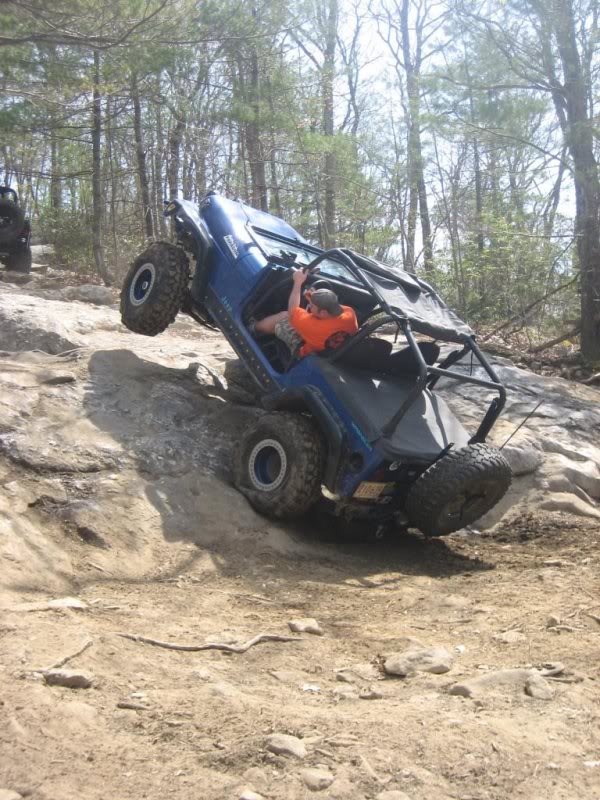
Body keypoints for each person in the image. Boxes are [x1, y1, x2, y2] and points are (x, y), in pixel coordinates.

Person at [252, 268, 358, 358]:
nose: (310, 307)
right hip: (327, 350)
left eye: (312, 306)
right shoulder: (349, 313)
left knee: (284, 317)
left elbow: (292, 311)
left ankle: (253, 327)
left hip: (304, 353)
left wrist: (298, 283)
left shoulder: (311, 325)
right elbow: (328, 304)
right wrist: (314, 298)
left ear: (323, 312)